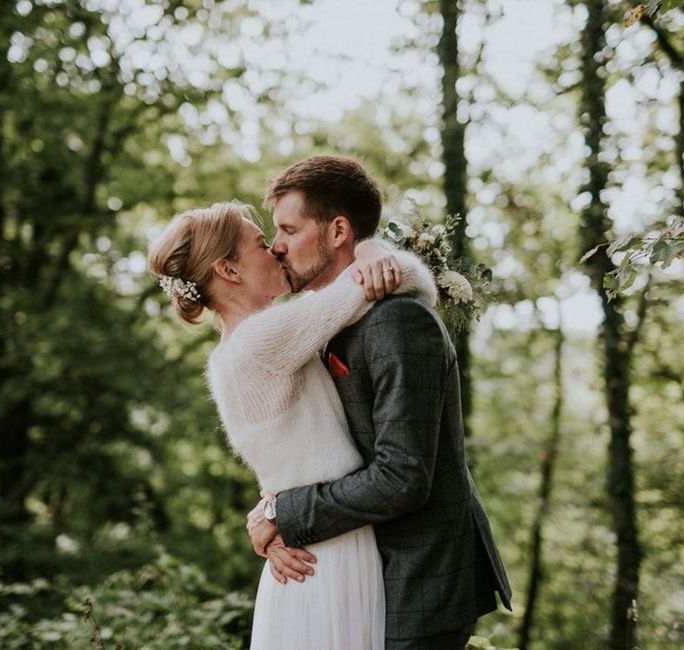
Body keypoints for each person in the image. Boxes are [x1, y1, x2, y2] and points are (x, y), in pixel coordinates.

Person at [245, 155, 513, 650]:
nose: (277, 246)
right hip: (360, 564)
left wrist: (287, 514)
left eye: (288, 229)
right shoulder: (324, 318)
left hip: (420, 576)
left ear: (338, 231)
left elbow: (403, 475)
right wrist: (268, 514)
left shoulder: (397, 322)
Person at [148, 199, 438, 649]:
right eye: (262, 244)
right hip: (331, 548)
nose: (278, 251)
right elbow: (405, 278)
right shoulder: (264, 338)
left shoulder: (230, 355)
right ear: (229, 270)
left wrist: (270, 513)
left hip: (307, 542)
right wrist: (371, 253)